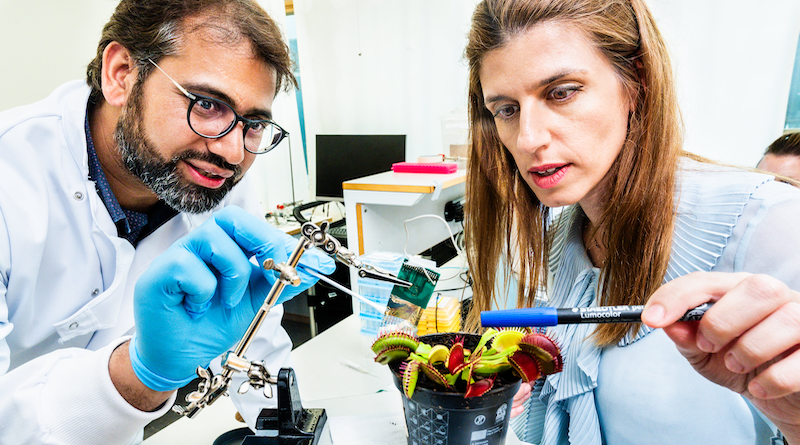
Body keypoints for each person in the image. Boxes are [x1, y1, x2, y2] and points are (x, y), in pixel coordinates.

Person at [462, 0, 800, 444]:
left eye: (562, 92)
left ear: (635, 81)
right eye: (506, 109)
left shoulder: (772, 222)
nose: (528, 139)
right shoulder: (563, 234)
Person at [0, 1, 335, 444]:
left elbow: (254, 341)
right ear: (121, 73)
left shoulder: (211, 177)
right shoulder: (11, 178)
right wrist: (139, 375)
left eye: (253, 124)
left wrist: (289, 431)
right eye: (208, 104)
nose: (233, 154)